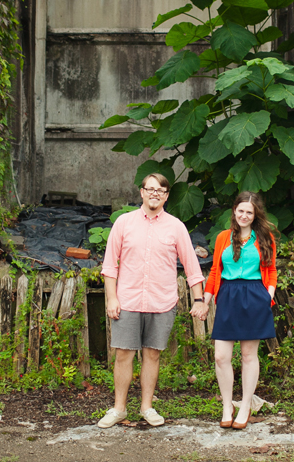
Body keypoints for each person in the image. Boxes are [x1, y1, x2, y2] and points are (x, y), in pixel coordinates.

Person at [97, 173, 207, 429]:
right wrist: (112, 298)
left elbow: (192, 268)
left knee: (152, 356)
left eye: (161, 190)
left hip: (161, 302)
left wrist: (199, 299)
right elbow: (110, 265)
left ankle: (146, 407)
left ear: (167, 196)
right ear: (142, 192)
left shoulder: (176, 227)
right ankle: (119, 409)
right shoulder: (124, 223)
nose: (155, 193)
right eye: (150, 189)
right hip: (128, 301)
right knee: (123, 355)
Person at [201, 191, 277, 430]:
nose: (244, 215)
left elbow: (271, 270)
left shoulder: (265, 238)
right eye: (241, 210)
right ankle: (227, 405)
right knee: (221, 356)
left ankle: (245, 406)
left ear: (255, 215)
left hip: (255, 295)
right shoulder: (224, 237)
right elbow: (215, 271)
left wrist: (269, 296)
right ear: (234, 211)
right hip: (228, 295)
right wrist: (205, 299)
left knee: (248, 356)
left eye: (249, 212)